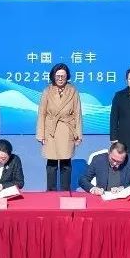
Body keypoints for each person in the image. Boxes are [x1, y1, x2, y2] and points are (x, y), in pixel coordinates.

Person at [36, 63, 82, 191]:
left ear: (67, 76)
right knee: (51, 163)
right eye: (58, 76)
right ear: (53, 76)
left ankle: (65, 191)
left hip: (67, 129)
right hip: (51, 130)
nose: (60, 79)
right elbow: (42, 113)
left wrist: (78, 135)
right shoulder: (47, 91)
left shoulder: (73, 91)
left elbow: (78, 114)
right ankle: (51, 191)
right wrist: (40, 134)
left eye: (63, 76)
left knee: (65, 162)